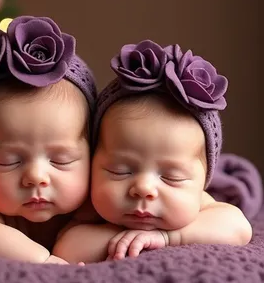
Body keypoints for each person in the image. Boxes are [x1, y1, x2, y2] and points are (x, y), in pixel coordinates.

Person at [54, 40, 253, 263]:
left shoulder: (201, 203)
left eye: (171, 177)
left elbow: (239, 229)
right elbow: (68, 250)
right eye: (120, 171)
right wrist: (124, 238)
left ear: (202, 182)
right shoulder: (92, 208)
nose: (143, 188)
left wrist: (168, 237)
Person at [0, 15, 97, 264]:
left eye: (60, 159)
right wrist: (43, 261)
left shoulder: (98, 200)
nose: (36, 177)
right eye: (9, 161)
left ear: (93, 150)